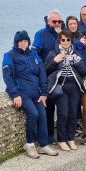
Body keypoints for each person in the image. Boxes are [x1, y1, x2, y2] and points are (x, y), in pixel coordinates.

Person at [2, 30, 58, 158]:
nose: (23, 43)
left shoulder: (33, 54)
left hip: (36, 93)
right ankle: (30, 144)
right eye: (21, 41)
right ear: (16, 43)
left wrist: (44, 93)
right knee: (33, 113)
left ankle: (44, 145)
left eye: (25, 41)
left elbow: (42, 73)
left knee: (42, 114)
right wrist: (15, 95)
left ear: (28, 42)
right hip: (23, 94)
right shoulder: (9, 56)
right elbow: (8, 77)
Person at [45, 30, 86, 151]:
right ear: (59, 40)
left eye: (68, 40)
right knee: (63, 113)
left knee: (73, 113)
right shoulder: (53, 53)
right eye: (63, 40)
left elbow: (84, 71)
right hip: (60, 86)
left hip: (74, 86)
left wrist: (76, 61)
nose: (65, 42)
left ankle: (70, 139)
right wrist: (55, 61)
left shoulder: (76, 53)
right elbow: (46, 71)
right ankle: (61, 140)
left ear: (71, 41)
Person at [33, 9, 64, 145]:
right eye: (54, 21)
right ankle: (49, 137)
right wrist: (40, 71)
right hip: (47, 76)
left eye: (59, 21)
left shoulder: (63, 33)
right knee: (49, 109)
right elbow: (34, 54)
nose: (57, 24)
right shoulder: (41, 34)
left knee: (64, 109)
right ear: (48, 21)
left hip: (63, 76)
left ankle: (64, 137)